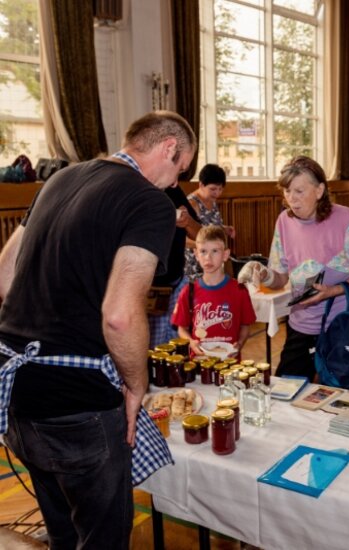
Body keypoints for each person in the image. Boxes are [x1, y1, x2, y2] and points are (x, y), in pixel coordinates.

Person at [0, 110, 197, 549]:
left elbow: (6, 275)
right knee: (102, 538)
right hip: (79, 403)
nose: (173, 184)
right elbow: (120, 315)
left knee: (62, 533)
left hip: (17, 391)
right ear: (169, 148)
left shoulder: (59, 180)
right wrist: (135, 386)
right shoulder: (150, 202)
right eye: (178, 171)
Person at [237, 156, 349, 381]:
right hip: (302, 321)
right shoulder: (284, 221)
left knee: (340, 395)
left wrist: (331, 291)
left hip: (343, 322)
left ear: (319, 190)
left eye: (299, 191)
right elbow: (280, 278)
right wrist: (263, 274)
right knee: (288, 387)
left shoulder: (344, 218)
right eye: (287, 191)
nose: (292, 199)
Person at [172, 225, 255, 358]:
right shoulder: (189, 291)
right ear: (196, 254)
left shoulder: (239, 290)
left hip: (229, 363)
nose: (208, 258)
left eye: (215, 251)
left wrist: (239, 344)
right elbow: (182, 328)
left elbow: (245, 326)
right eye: (203, 251)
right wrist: (191, 342)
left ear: (225, 254)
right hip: (199, 362)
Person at [148, 185, 200, 348]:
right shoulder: (138, 192)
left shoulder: (174, 191)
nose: (176, 181)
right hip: (148, 289)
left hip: (177, 282)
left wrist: (187, 222)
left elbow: (200, 233)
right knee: (152, 350)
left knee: (179, 347)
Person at [184, 164, 236, 281]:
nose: (217, 193)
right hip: (195, 264)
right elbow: (182, 240)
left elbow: (208, 226)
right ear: (201, 185)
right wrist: (202, 246)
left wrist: (224, 228)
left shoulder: (211, 200)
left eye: (220, 189)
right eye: (213, 189)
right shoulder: (192, 204)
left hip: (212, 261)